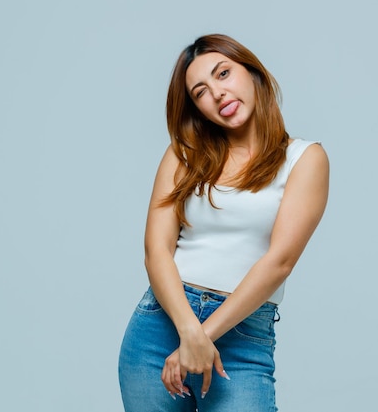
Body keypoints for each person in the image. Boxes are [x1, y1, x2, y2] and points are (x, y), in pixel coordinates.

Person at [118, 33, 329, 412]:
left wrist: (202, 337)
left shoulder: (304, 159)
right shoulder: (184, 153)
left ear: (253, 74)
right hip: (160, 330)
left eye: (223, 73)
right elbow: (156, 251)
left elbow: (279, 262)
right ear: (197, 108)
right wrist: (187, 330)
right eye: (200, 91)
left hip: (242, 337)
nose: (216, 93)